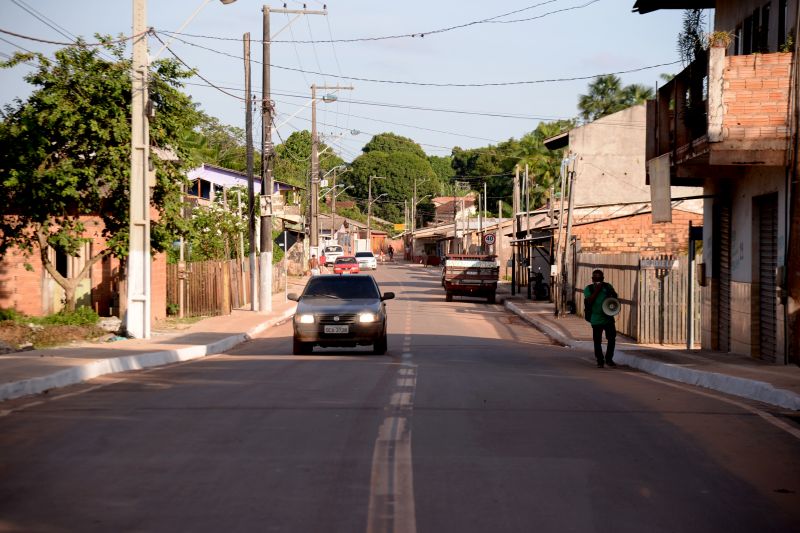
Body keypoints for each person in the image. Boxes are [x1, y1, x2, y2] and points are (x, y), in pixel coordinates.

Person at [584, 269, 618, 368]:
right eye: (596, 277)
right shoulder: (589, 289)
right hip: (596, 319)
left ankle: (609, 359)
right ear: (592, 279)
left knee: (611, 339)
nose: (598, 279)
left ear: (603, 278)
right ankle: (600, 360)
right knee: (597, 341)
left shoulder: (607, 286)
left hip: (608, 318)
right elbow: (589, 301)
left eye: (600, 277)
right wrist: (597, 290)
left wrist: (610, 293)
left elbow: (614, 298)